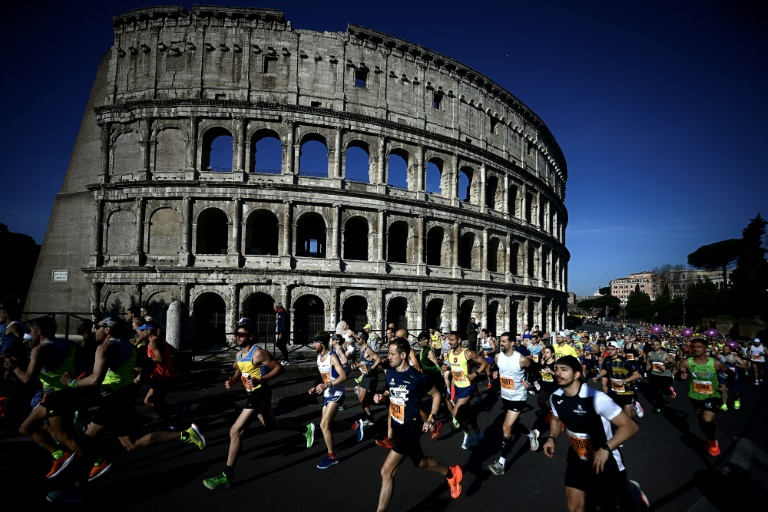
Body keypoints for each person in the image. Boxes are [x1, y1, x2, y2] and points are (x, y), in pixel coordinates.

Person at [52, 316, 206, 503]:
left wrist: (71, 382)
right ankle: (186, 434)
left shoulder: (106, 347)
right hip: (123, 397)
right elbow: (143, 366)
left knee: (87, 441)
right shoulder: (128, 345)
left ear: (107, 330)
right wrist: (135, 382)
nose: (95, 331)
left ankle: (78, 488)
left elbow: (95, 379)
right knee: (130, 444)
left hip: (113, 400)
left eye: (98, 327)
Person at [202, 323, 314, 489]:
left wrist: (261, 379)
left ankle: (227, 475)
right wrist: (232, 381)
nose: (237, 336)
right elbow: (239, 370)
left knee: (235, 431)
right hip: (251, 394)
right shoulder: (239, 355)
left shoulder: (259, 353)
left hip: (260, 394)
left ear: (251, 337)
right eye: (237, 334)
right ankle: (305, 429)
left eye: (241, 334)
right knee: (271, 424)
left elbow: (279, 368)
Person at [543, 355, 648, 512]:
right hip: (578, 457)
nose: (558, 373)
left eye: (564, 370)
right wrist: (551, 438)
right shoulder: (556, 396)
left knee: (605, 506)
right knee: (574, 507)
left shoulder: (597, 398)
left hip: (604, 459)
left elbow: (630, 426)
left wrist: (606, 448)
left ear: (577, 374)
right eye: (556, 369)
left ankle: (633, 494)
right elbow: (557, 421)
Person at [373, 338, 463, 511]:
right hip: (399, 426)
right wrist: (382, 398)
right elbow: (390, 394)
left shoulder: (417, 377)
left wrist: (431, 418)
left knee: (386, 471)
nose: (389, 357)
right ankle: (452, 473)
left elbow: (437, 395)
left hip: (411, 427)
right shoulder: (390, 373)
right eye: (388, 353)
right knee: (420, 462)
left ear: (403, 355)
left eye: (392, 354)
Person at [486, 332, 540, 476]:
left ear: (512, 343)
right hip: (505, 396)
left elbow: (535, 370)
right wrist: (495, 374)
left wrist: (530, 383)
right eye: (500, 341)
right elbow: (496, 368)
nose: (501, 343)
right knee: (513, 425)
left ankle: (501, 463)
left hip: (518, 397)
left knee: (506, 427)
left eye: (504, 341)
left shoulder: (521, 359)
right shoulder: (498, 357)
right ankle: (531, 434)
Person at [308, 331, 364, 469]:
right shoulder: (319, 357)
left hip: (337, 392)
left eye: (315, 343)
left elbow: (343, 376)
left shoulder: (332, 357)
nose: (313, 345)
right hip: (327, 394)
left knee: (324, 425)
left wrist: (328, 384)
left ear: (321, 343)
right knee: (329, 425)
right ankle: (354, 425)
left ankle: (332, 456)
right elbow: (321, 375)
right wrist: (314, 387)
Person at [678, 337, 732, 456]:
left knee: (707, 419)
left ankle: (713, 443)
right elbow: (679, 375)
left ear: (706, 349)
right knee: (703, 422)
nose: (695, 349)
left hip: (712, 395)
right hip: (695, 396)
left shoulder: (715, 363)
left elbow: (731, 374)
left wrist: (725, 385)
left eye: (699, 347)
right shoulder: (687, 362)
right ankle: (709, 437)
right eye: (694, 347)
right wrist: (681, 375)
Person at [444, 330, 488, 449]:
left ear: (459, 340)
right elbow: (454, 366)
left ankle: (467, 435)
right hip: (458, 386)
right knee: (468, 414)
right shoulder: (450, 353)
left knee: (456, 413)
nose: (450, 342)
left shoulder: (468, 353)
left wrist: (476, 374)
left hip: (468, 387)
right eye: (449, 339)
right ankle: (478, 433)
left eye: (452, 339)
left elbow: (484, 363)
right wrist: (445, 367)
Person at [598, 339, 643, 420]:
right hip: (614, 389)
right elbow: (605, 370)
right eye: (608, 349)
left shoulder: (625, 361)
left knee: (629, 416)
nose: (610, 351)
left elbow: (637, 375)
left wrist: (623, 381)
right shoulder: (607, 360)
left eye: (612, 349)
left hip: (627, 390)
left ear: (618, 350)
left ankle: (634, 405)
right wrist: (598, 376)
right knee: (616, 411)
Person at [353, 330, 382, 427]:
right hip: (365, 376)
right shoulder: (361, 349)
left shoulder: (368, 350)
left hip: (371, 377)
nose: (357, 340)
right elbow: (363, 363)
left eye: (358, 338)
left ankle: (386, 401)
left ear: (363, 339)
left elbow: (378, 359)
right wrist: (356, 365)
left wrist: (371, 368)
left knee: (368, 399)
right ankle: (369, 416)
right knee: (361, 398)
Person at [645, 337, 678, 413]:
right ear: (652, 345)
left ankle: (669, 390)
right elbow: (647, 362)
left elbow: (674, 363)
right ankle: (659, 405)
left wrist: (665, 366)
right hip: (654, 374)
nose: (655, 346)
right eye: (653, 345)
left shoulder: (665, 354)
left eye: (657, 345)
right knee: (655, 392)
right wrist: (648, 365)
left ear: (660, 345)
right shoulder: (649, 354)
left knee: (663, 389)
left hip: (665, 375)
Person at [717, 342, 748, 411]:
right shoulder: (720, 356)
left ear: (730, 350)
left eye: (727, 349)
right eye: (724, 349)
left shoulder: (735, 357)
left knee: (735, 392)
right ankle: (724, 405)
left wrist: (734, 363)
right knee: (724, 390)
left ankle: (737, 400)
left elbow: (745, 366)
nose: (725, 350)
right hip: (722, 376)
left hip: (733, 377)